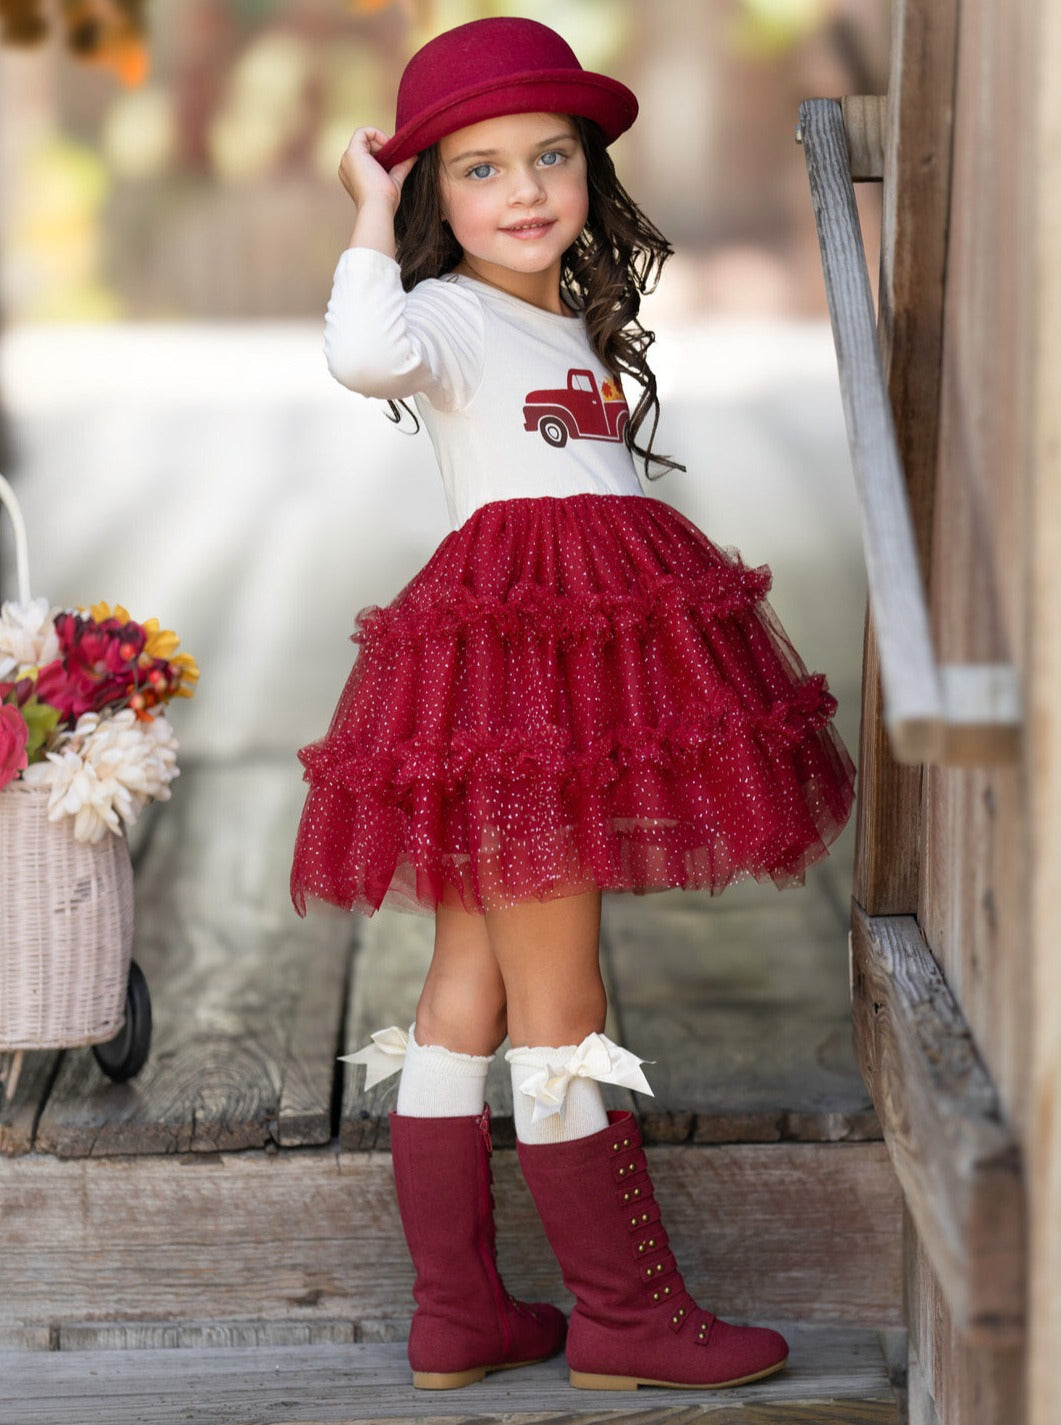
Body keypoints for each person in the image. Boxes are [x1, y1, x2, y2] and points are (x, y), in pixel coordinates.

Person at [291, 15, 855, 1395]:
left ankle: (460, 1314)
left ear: (592, 170)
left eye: (551, 156)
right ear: (431, 196)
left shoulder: (561, 318)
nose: (526, 189)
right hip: (514, 685)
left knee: (470, 982)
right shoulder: (438, 315)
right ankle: (621, 1313)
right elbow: (361, 351)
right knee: (560, 987)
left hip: (568, 676)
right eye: (477, 170)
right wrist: (367, 210)